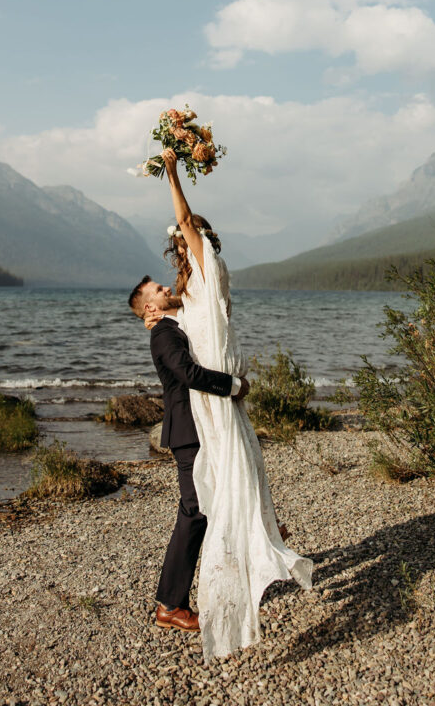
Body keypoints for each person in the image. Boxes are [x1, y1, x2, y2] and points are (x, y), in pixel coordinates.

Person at [144, 148, 313, 662]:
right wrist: (157, 313)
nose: (180, 250)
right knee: (210, 494)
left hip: (212, 402)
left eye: (186, 241)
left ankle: (252, 537)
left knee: (217, 489)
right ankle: (245, 542)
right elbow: (180, 335)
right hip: (206, 406)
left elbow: (182, 221)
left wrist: (173, 173)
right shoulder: (187, 296)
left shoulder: (209, 269)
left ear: (199, 244)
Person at [127, 275, 250, 633]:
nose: (167, 288)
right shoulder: (163, 333)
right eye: (159, 291)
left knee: (211, 501)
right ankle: (170, 605)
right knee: (194, 511)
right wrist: (233, 386)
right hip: (188, 432)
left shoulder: (175, 322)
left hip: (199, 428)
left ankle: (255, 543)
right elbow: (187, 372)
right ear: (151, 308)